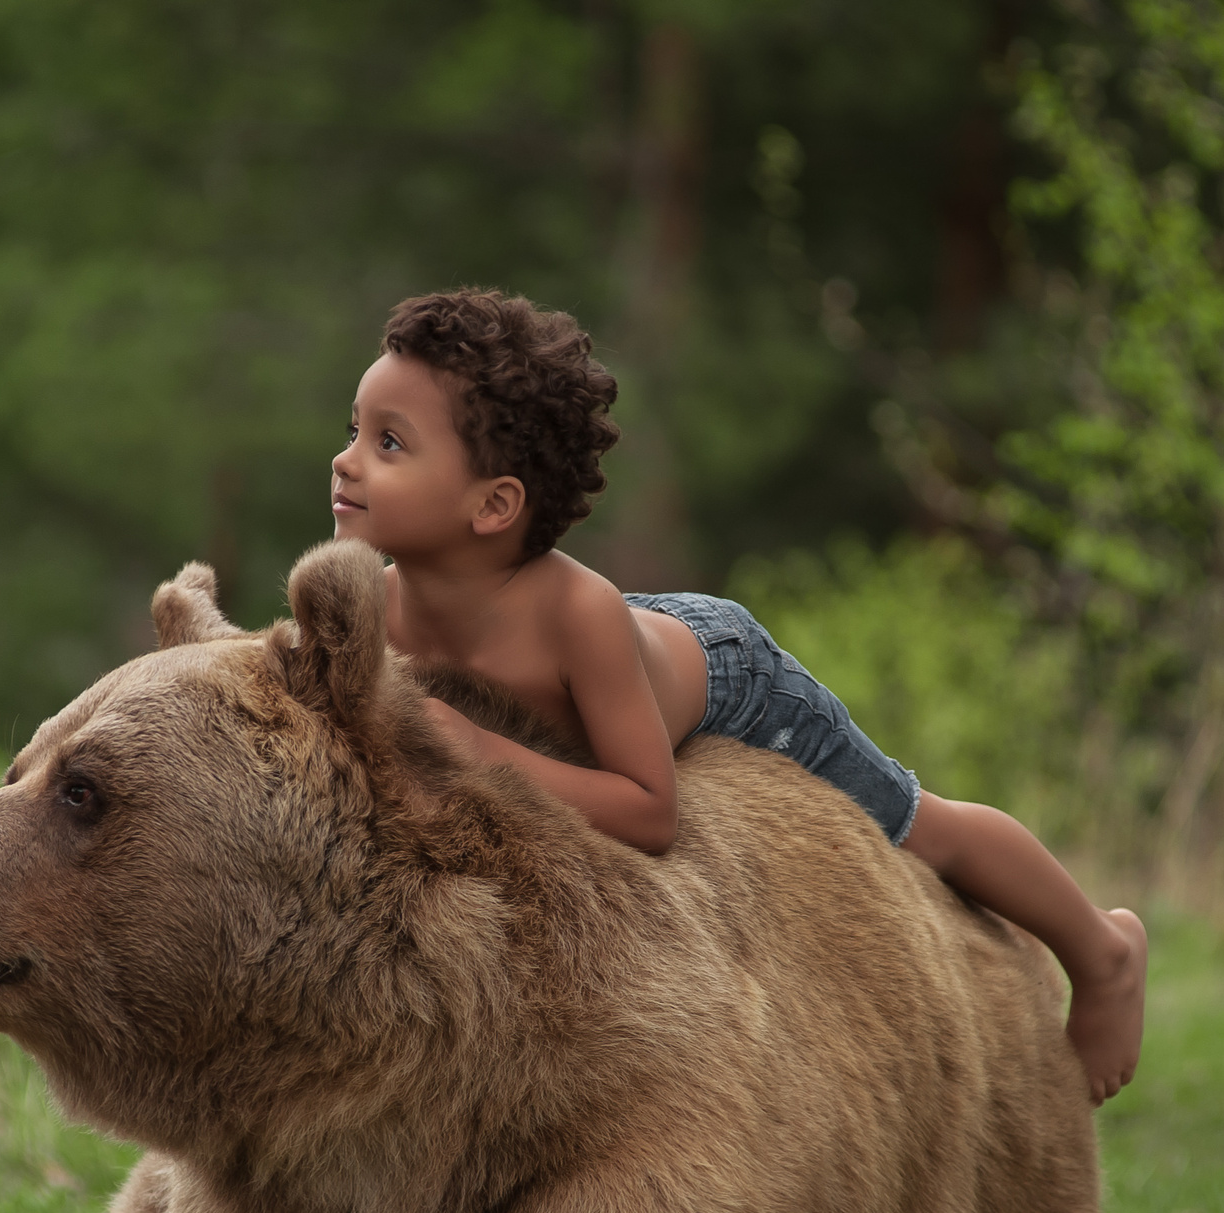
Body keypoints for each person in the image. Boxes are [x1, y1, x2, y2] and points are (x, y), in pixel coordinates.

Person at [330, 288, 1147, 1103]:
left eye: (390, 443)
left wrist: (484, 754)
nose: (347, 460)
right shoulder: (378, 606)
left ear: (495, 503)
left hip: (730, 679)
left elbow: (651, 811)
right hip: (631, 654)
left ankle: (1101, 950)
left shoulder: (574, 613)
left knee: (918, 829)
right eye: (354, 431)